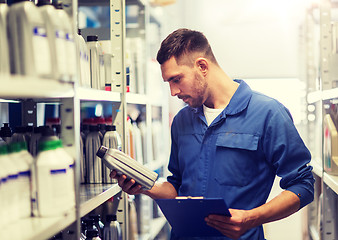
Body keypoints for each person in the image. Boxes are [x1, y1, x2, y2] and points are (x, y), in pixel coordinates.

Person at [110, 28, 315, 240]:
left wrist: (251, 218)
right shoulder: (182, 121)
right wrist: (144, 186)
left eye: (176, 79)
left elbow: (303, 185)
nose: (173, 92)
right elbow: (177, 187)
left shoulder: (269, 114)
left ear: (202, 66)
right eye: (168, 83)